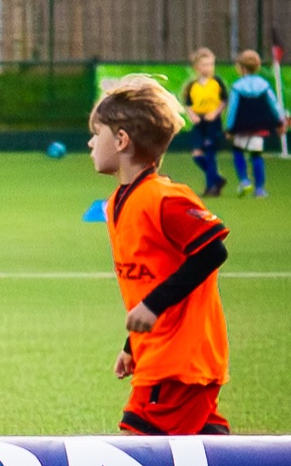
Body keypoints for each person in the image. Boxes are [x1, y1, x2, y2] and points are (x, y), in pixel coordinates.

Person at [89, 73, 229, 436]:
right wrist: (131, 345)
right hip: (158, 357)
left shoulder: (164, 198)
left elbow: (212, 250)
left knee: (141, 456)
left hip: (179, 363)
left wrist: (152, 306)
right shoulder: (118, 201)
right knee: (205, 452)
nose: (90, 142)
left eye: (96, 133)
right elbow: (151, 276)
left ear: (121, 140)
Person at [226, 48, 286, 198]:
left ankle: (245, 181)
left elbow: (232, 109)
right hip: (259, 126)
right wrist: (280, 121)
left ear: (241, 68)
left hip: (241, 126)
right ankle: (259, 188)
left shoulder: (237, 86)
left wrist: (229, 128)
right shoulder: (264, 85)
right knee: (257, 155)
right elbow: (274, 104)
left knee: (238, 151)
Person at [181, 48, 229, 197]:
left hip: (212, 123)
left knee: (210, 154)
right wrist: (192, 115)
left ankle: (211, 188)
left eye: (211, 64)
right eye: (205, 64)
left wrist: (215, 112)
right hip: (199, 123)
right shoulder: (192, 85)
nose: (208, 68)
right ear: (197, 67)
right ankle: (217, 178)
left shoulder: (217, 83)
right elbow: (188, 103)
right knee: (197, 154)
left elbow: (224, 100)